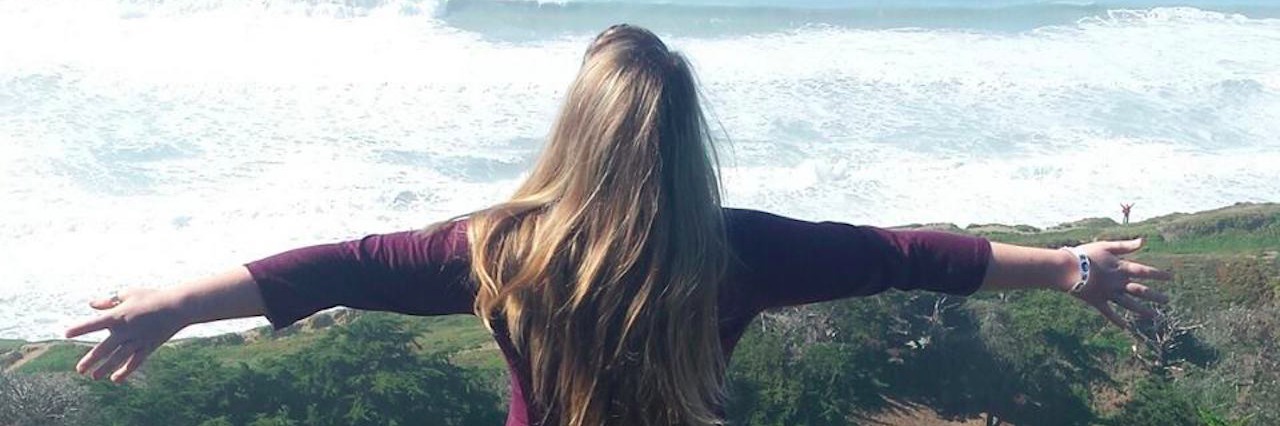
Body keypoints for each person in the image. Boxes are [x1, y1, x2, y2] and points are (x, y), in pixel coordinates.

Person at [64, 24, 1172, 426]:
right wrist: (1071, 266)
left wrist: (176, 304)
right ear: (685, 139)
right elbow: (905, 256)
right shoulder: (734, 247)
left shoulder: (498, 247)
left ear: (573, 132)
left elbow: (335, 268)